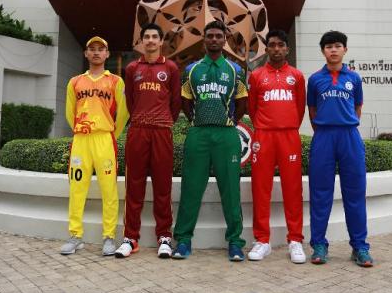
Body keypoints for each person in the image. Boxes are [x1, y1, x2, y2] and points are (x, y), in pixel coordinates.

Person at [172, 20, 248, 261]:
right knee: (191, 188)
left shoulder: (235, 70)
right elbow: (185, 101)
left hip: (226, 134)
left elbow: (242, 102)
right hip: (199, 134)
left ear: (224, 40)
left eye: (218, 36)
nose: (214, 39)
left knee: (231, 190)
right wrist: (196, 121)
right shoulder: (191, 69)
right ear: (204, 40)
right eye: (210, 36)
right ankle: (183, 240)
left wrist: (231, 122)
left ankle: (235, 242)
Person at [306, 31, 373, 267]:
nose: (333, 50)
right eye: (328, 46)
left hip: (349, 137)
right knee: (320, 193)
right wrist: (325, 130)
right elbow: (312, 111)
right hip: (324, 137)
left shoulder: (354, 78)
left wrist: (346, 124)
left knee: (355, 193)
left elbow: (358, 107)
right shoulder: (315, 79)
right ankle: (319, 245)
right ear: (322, 51)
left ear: (345, 49)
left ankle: (360, 246)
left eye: (337, 46)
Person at [115, 23, 181, 258]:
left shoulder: (171, 67)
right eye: (147, 37)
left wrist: (163, 120)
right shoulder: (133, 68)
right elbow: (130, 102)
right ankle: (130, 238)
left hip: (162, 131)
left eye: (155, 37)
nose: (151, 40)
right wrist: (142, 119)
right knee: (134, 186)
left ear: (161, 41)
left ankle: (164, 237)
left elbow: (175, 103)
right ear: (141, 42)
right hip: (138, 130)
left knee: (163, 186)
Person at [59, 36, 129, 256]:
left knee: (109, 190)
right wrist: (80, 130)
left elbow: (124, 112)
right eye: (92, 49)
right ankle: (75, 236)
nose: (96, 52)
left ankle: (109, 237)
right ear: (86, 53)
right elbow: (69, 112)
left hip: (104, 140)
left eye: (101, 49)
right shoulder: (75, 82)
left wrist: (111, 135)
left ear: (107, 54)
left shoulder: (116, 81)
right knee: (77, 189)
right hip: (81, 140)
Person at [247, 29, 307, 263]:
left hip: (289, 136)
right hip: (263, 136)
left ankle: (295, 240)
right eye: (272, 45)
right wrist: (265, 127)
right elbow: (252, 108)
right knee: (260, 188)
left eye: (281, 45)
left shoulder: (297, 76)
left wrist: (287, 126)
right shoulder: (257, 75)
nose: (276, 49)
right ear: (267, 49)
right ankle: (262, 240)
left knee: (293, 188)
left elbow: (300, 108)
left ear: (287, 49)